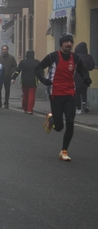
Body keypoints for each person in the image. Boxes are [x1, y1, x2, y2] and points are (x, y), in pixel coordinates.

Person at [36, 33, 91, 161]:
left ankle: (64, 151)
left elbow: (82, 70)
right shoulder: (53, 56)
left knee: (70, 122)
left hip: (70, 94)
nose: (69, 44)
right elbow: (38, 67)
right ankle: (51, 119)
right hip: (55, 94)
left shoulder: (76, 58)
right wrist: (43, 79)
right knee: (59, 127)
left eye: (71, 42)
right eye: (66, 42)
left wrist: (86, 78)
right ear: (61, 44)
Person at [11, 50, 40, 114]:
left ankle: (25, 108)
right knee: (31, 95)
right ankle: (30, 109)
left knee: (25, 95)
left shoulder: (22, 62)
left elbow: (18, 71)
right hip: (33, 81)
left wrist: (13, 78)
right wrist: (42, 78)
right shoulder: (37, 62)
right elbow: (40, 71)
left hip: (24, 81)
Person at [74, 42, 95, 114]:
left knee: (77, 94)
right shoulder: (89, 57)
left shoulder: (75, 57)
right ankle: (84, 103)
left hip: (76, 78)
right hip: (85, 77)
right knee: (84, 92)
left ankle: (78, 109)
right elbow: (91, 67)